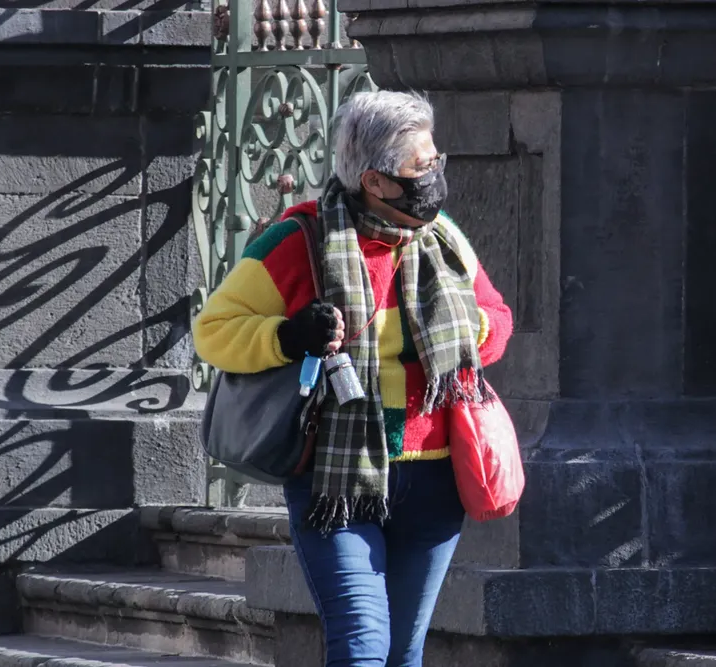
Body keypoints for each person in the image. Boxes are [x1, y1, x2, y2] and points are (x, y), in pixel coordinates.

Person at [193, 90, 513, 667]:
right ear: (376, 181)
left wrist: (465, 331)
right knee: (363, 646)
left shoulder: (442, 238)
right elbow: (213, 331)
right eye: (421, 168)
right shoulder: (299, 241)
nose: (435, 178)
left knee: (403, 653)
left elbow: (499, 320)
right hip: (337, 483)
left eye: (436, 161)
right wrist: (288, 337)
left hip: (435, 480)